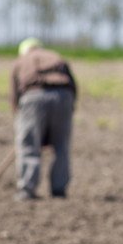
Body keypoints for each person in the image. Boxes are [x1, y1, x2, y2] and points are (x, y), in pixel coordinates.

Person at [9, 38, 77, 201]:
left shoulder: (21, 61)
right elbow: (73, 86)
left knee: (29, 145)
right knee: (61, 145)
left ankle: (27, 188)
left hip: (33, 97)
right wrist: (69, 108)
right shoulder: (56, 57)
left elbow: (14, 94)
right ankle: (59, 190)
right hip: (63, 96)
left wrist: (19, 117)